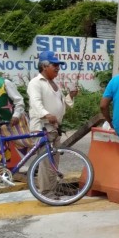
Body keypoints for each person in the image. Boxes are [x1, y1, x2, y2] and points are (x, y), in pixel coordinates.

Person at [28, 51, 78, 197]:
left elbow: (63, 103)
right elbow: (35, 103)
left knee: (53, 161)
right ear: (44, 66)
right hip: (42, 127)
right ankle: (45, 192)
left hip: (54, 128)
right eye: (54, 65)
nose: (58, 68)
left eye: (58, 65)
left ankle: (51, 188)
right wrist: (46, 114)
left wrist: (71, 96)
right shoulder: (36, 83)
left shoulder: (53, 84)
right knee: (45, 162)